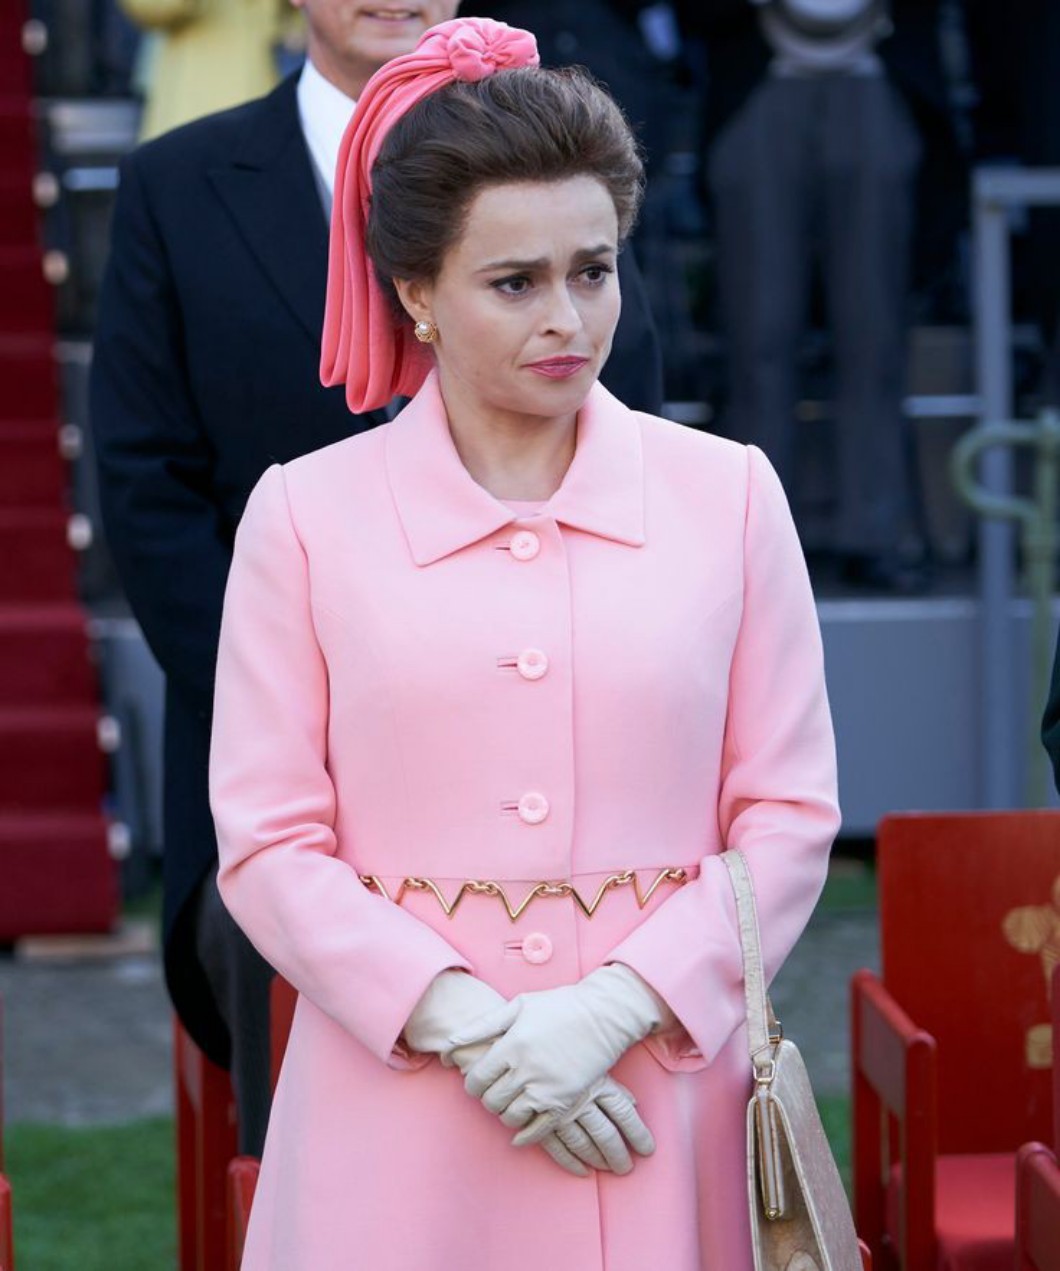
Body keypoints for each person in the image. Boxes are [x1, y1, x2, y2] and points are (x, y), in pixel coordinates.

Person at [208, 17, 839, 1268]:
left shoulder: (729, 494)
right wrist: (469, 1026)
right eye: (515, 282)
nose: (568, 318)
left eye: (592, 270)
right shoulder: (305, 515)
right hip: (399, 1105)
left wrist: (615, 1006)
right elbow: (269, 839)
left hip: (656, 1087)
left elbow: (786, 813)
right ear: (415, 293)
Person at [90, 0, 664, 1159]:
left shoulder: (549, 160)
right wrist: (318, 713)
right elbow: (147, 487)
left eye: (586, 272)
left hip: (565, 771)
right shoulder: (178, 180)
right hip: (282, 779)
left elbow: (624, 404)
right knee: (318, 1089)